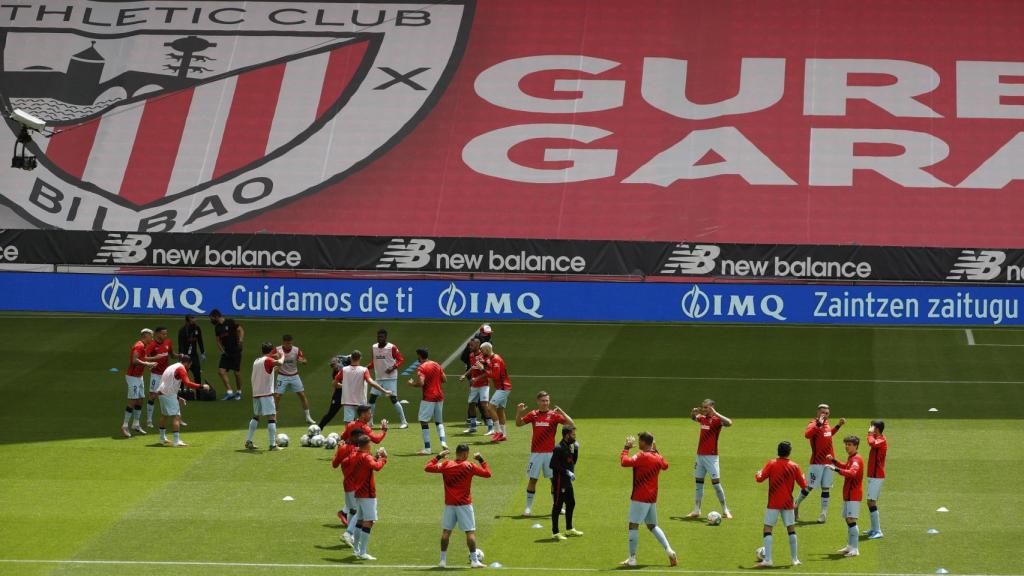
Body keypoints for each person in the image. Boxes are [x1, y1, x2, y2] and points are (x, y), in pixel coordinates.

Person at [424, 444, 491, 568]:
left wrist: (439, 456)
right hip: (464, 505)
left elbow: (427, 467)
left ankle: (442, 561)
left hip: (449, 505)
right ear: (465, 454)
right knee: (470, 532)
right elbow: (488, 473)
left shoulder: (446, 464)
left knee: (446, 532)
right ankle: (474, 561)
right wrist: (481, 459)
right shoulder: (470, 466)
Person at [620, 432, 677, 567]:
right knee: (652, 526)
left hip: (640, 496)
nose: (638, 444)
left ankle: (632, 559)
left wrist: (626, 448)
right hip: (652, 497)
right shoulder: (658, 457)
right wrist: (656, 450)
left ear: (645, 443)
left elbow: (624, 462)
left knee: (633, 525)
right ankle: (669, 551)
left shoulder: (642, 456)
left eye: (639, 441)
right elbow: (666, 465)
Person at [515, 391, 573, 515]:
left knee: (554, 480)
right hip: (536, 453)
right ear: (538, 402)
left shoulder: (554, 415)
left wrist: (561, 412)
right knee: (533, 479)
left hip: (551, 454)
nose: (545, 403)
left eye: (547, 400)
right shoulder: (533, 414)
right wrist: (519, 412)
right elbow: (518, 424)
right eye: (543, 400)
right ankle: (528, 508)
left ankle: (557, 506)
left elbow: (571, 423)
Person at [754, 441, 807, 568]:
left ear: (778, 451)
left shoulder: (771, 463)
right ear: (789, 452)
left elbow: (760, 479)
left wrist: (758, 473)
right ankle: (795, 559)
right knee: (791, 529)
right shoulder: (795, 466)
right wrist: (803, 477)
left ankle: (768, 560)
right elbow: (804, 485)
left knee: (768, 528)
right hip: (788, 502)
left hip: (773, 502)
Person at [794, 403, 845, 523]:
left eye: (827, 413)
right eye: (823, 412)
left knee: (826, 488)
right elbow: (807, 435)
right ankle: (795, 505)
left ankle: (823, 514)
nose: (825, 415)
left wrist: (838, 426)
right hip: (817, 463)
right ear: (818, 412)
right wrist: (818, 424)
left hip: (829, 462)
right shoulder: (813, 423)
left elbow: (828, 434)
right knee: (809, 487)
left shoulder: (827, 424)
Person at [342, 435, 388, 560]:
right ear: (367, 445)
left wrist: (376, 457)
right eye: (370, 443)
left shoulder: (356, 455)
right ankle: (363, 552)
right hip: (368, 494)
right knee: (369, 522)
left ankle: (356, 549)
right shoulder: (366, 457)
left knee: (360, 521)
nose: (371, 445)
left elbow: (367, 464)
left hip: (358, 492)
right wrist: (383, 458)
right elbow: (376, 467)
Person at [686, 399, 733, 519]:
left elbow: (729, 423)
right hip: (700, 456)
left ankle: (725, 510)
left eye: (706, 407)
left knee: (716, 485)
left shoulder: (717, 421)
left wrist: (716, 413)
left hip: (712, 457)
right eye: (703, 407)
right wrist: (693, 412)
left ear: (712, 408)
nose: (703, 409)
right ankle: (696, 510)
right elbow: (693, 417)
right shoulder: (702, 418)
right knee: (698, 484)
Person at [155, 356, 210, 447]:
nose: (189, 367)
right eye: (189, 365)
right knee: (177, 416)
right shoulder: (181, 369)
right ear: (187, 363)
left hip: (161, 393)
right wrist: (202, 387)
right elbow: (187, 383)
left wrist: (177, 397)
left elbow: (168, 383)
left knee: (164, 415)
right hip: (168, 394)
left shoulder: (172, 367)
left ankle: (162, 438)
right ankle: (176, 441)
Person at [827, 435, 864, 558]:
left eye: (849, 445)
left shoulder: (856, 460)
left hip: (853, 495)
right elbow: (846, 467)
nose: (847, 447)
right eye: (846, 444)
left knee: (852, 520)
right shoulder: (851, 458)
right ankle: (850, 546)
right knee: (848, 519)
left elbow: (852, 473)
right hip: (849, 495)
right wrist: (834, 461)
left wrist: (836, 469)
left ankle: (855, 549)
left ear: (856, 446)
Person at [244, 342, 286, 451]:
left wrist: (275, 364)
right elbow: (280, 363)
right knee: (272, 416)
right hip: (266, 393)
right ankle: (272, 445)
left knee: (256, 416)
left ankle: (248, 441)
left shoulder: (257, 361)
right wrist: (282, 356)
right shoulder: (268, 360)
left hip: (256, 393)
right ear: (271, 351)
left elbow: (267, 371)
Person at [334, 350, 393, 424]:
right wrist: (385, 391)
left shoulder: (344, 370)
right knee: (363, 425)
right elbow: (371, 382)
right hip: (361, 402)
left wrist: (345, 386)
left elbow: (334, 384)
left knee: (348, 425)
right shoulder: (364, 370)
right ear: (360, 358)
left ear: (351, 358)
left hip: (348, 402)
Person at [408, 348, 448, 455]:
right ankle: (444, 443)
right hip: (439, 396)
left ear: (420, 356)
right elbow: (444, 379)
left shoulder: (421, 367)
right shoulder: (436, 364)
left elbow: (421, 383)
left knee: (423, 421)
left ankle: (427, 448)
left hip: (429, 397)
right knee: (439, 422)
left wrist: (412, 384)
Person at [367, 329, 408, 428]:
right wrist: (365, 368)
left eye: (382, 337)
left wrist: (393, 367)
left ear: (385, 337)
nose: (380, 338)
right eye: (378, 337)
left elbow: (400, 359)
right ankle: (370, 422)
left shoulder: (391, 347)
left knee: (393, 399)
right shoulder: (374, 347)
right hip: (378, 378)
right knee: (372, 399)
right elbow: (374, 362)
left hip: (390, 378)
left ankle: (404, 422)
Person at [273, 334, 316, 425]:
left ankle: (308, 417)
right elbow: (271, 360)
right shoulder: (277, 350)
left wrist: (302, 361)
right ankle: (274, 417)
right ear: (283, 342)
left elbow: (304, 360)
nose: (289, 345)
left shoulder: (296, 350)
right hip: (282, 376)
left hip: (294, 376)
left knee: (302, 395)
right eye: (287, 343)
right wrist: (275, 363)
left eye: (290, 343)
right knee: (277, 396)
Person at [121, 328, 156, 437]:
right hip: (132, 377)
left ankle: (136, 424)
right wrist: (147, 364)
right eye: (151, 336)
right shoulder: (139, 346)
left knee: (140, 399)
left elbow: (142, 358)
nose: (152, 338)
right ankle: (125, 425)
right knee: (133, 400)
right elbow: (134, 360)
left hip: (139, 377)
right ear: (145, 335)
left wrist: (150, 362)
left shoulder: (143, 346)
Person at [333, 427, 365, 546]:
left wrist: (338, 450)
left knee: (353, 510)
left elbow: (334, 464)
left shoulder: (344, 449)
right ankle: (348, 534)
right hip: (355, 485)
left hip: (350, 483)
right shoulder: (358, 450)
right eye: (360, 437)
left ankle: (350, 536)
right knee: (359, 511)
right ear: (354, 437)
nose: (362, 439)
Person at [550, 425, 582, 540]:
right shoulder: (558, 448)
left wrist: (576, 450)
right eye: (573, 435)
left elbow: (572, 462)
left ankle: (569, 529)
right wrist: (567, 472)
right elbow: (552, 465)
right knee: (557, 506)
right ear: (566, 435)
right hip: (559, 481)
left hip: (567, 481)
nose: (575, 437)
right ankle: (555, 532)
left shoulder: (569, 446)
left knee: (571, 503)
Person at [459, 324, 493, 429]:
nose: (470, 347)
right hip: (474, 383)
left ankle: (490, 426)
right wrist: (465, 375)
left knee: (484, 404)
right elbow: (473, 366)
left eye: (471, 346)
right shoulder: (471, 354)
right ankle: (473, 426)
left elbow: (488, 370)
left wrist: (480, 371)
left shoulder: (483, 355)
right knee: (471, 404)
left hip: (483, 383)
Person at [209, 308, 244, 400]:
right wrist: (222, 351)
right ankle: (229, 392)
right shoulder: (217, 328)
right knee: (221, 371)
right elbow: (218, 341)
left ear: (216, 316)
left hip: (236, 350)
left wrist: (240, 341)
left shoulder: (230, 322)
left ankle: (239, 392)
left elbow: (241, 330)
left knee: (236, 373)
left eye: (212, 318)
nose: (211, 320)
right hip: (226, 353)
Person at [480, 342, 511, 442]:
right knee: (500, 411)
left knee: (490, 407)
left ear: (487, 349)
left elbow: (495, 375)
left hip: (503, 388)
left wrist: (483, 368)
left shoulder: (496, 359)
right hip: (503, 388)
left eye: (482, 350)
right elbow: (491, 366)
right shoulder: (492, 358)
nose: (481, 352)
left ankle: (498, 432)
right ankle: (504, 435)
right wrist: (484, 364)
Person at [144, 326, 173, 428]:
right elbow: (144, 357)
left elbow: (171, 354)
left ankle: (177, 418)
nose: (165, 335)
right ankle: (149, 420)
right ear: (157, 334)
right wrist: (153, 359)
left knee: (170, 395)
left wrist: (179, 356)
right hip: (156, 375)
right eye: (163, 334)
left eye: (166, 333)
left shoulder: (168, 342)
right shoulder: (152, 345)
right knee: (152, 396)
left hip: (166, 374)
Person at [864, 420, 887, 539]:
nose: (870, 428)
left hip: (877, 476)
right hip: (873, 475)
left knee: (871, 501)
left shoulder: (882, 440)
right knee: (870, 501)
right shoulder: (878, 439)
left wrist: (869, 433)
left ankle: (878, 531)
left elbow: (871, 443)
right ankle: (874, 528)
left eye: (872, 426)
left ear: (876, 429)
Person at [318, 354, 351, 431]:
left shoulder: (345, 360)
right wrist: (345, 386)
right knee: (331, 413)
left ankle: (355, 432)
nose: (333, 367)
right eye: (332, 366)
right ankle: (319, 429)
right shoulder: (335, 373)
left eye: (334, 365)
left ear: (338, 362)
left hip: (350, 394)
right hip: (340, 393)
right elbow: (336, 384)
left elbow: (352, 356)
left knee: (351, 413)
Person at [176, 314, 205, 385]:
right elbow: (181, 344)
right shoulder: (182, 331)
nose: (195, 319)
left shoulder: (197, 328)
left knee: (197, 375)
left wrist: (202, 352)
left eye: (195, 318)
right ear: (188, 320)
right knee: (182, 376)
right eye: (193, 318)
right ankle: (180, 392)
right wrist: (182, 356)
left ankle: (199, 395)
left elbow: (200, 341)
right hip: (185, 356)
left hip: (194, 356)